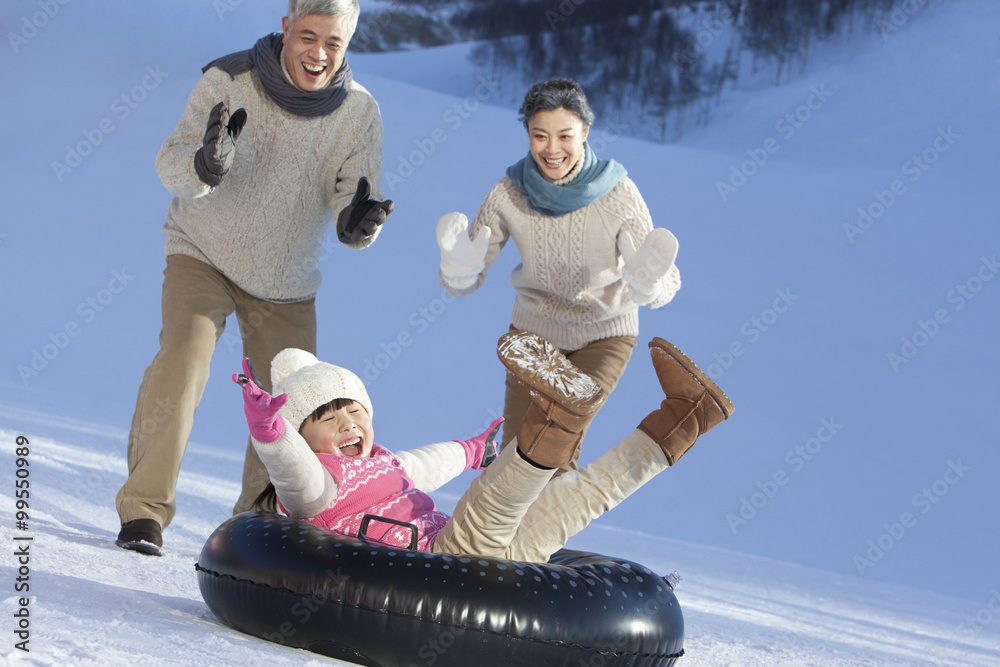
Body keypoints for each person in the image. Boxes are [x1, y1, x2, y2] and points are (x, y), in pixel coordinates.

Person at [115, 0, 394, 556]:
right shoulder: (229, 79)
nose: (318, 53)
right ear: (286, 29)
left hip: (286, 279)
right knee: (185, 357)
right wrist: (203, 165)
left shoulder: (360, 112)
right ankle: (143, 512)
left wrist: (358, 224)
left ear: (347, 45)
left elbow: (355, 195)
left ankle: (258, 527)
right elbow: (170, 161)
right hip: (203, 251)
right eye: (308, 36)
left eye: (332, 43)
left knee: (294, 404)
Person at [234, 330, 733, 562]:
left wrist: (472, 452)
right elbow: (290, 468)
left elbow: (427, 462)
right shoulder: (317, 486)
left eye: (353, 410)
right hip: (446, 560)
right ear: (304, 436)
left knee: (578, 497)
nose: (345, 424)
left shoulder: (383, 464)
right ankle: (557, 414)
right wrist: (270, 431)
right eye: (324, 417)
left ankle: (684, 417)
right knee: (496, 499)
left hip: (489, 562)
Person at [436, 78, 681, 472]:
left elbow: (663, 280)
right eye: (540, 135)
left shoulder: (618, 194)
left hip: (604, 333)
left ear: (585, 131)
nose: (552, 149)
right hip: (532, 334)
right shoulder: (509, 193)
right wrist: (459, 271)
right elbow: (470, 272)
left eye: (565, 135)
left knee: (559, 438)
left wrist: (649, 284)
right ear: (528, 134)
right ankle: (499, 532)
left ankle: (545, 534)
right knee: (518, 450)